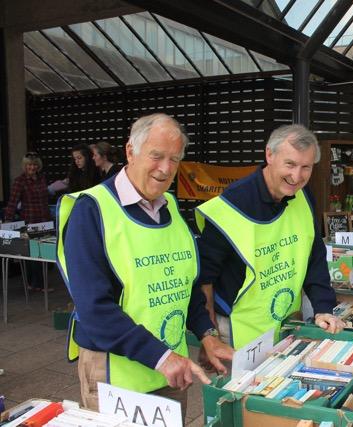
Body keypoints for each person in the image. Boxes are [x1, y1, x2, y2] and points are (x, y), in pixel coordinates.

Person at [57, 113, 233, 417]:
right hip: (118, 373)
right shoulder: (92, 210)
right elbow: (94, 309)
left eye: (174, 159)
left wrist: (207, 334)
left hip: (170, 369)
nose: (165, 169)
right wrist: (161, 357)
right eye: (156, 156)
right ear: (130, 151)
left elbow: (185, 285)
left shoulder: (172, 208)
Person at [195, 124, 345, 350]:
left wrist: (323, 307)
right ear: (269, 155)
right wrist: (210, 336)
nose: (297, 176)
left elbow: (313, 256)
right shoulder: (232, 205)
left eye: (306, 167)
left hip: (285, 324)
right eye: (290, 164)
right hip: (235, 332)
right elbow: (204, 279)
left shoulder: (303, 196)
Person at [4, 152, 51, 291]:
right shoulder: (20, 181)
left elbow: (45, 197)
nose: (32, 167)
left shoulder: (42, 178)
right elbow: (13, 202)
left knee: (44, 253)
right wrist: (7, 220)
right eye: (29, 164)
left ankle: (38, 284)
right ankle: (35, 284)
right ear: (25, 166)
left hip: (44, 220)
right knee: (34, 254)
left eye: (35, 164)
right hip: (30, 220)